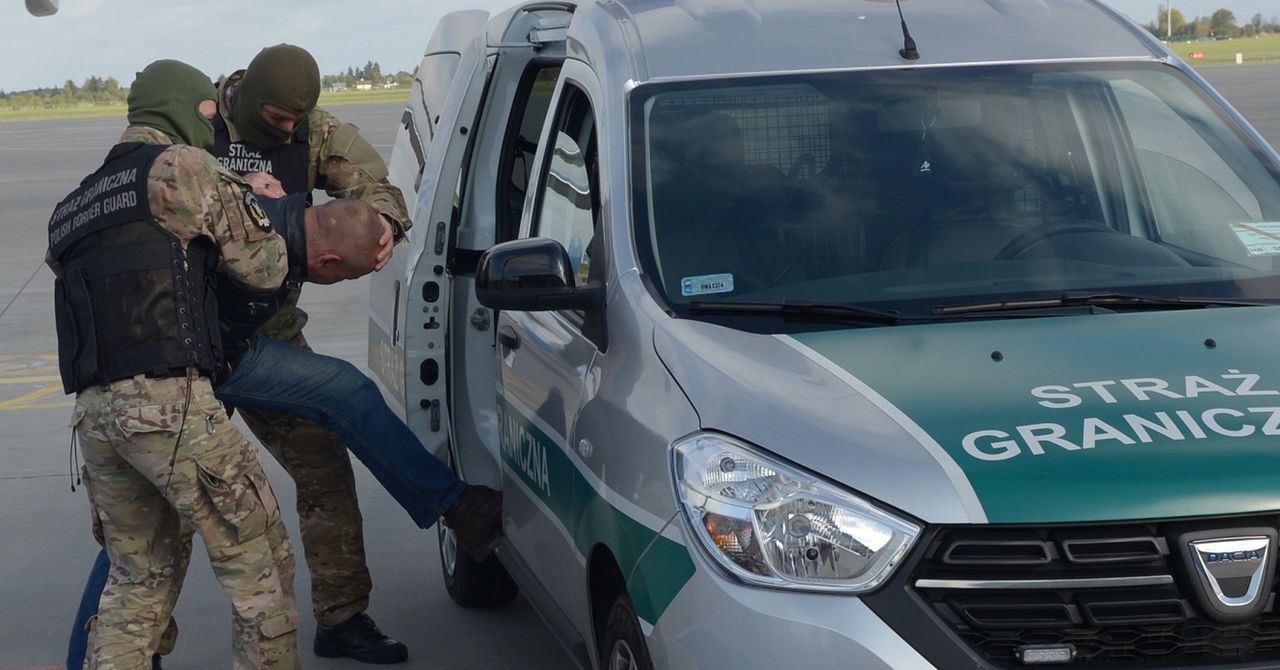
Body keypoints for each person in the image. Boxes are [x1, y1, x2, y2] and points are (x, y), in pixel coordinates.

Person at [66, 194, 503, 669]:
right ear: (328, 260)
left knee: (347, 392)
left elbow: (376, 185)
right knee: (161, 537)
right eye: (345, 276)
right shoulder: (232, 212)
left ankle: (453, 509)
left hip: (224, 351)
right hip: (172, 375)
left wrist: (387, 224)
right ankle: (104, 654)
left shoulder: (286, 199)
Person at [49, 59, 299, 669]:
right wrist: (259, 203)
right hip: (172, 407)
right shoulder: (184, 167)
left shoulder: (75, 205)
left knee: (137, 583)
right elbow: (265, 266)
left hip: (98, 419)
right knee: (259, 568)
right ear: (194, 110)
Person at [207, 42, 417, 661]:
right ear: (245, 100)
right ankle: (134, 642)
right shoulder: (195, 129)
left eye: (299, 120)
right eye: (277, 120)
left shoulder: (315, 131)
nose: (291, 130)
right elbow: (143, 191)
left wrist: (380, 228)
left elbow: (380, 189)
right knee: (161, 495)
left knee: (324, 462)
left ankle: (342, 616)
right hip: (187, 338)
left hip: (269, 333)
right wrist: (234, 189)